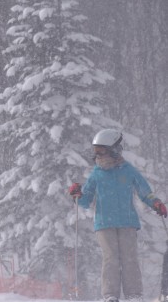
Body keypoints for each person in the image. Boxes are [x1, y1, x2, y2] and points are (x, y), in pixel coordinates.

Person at [69, 129, 167, 302]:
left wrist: (156, 203)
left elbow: (145, 193)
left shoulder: (128, 171)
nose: (97, 155)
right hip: (104, 223)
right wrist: (77, 195)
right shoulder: (97, 174)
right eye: (95, 151)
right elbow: (85, 200)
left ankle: (133, 294)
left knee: (129, 258)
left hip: (127, 222)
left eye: (101, 151)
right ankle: (110, 295)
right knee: (110, 258)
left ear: (114, 150)